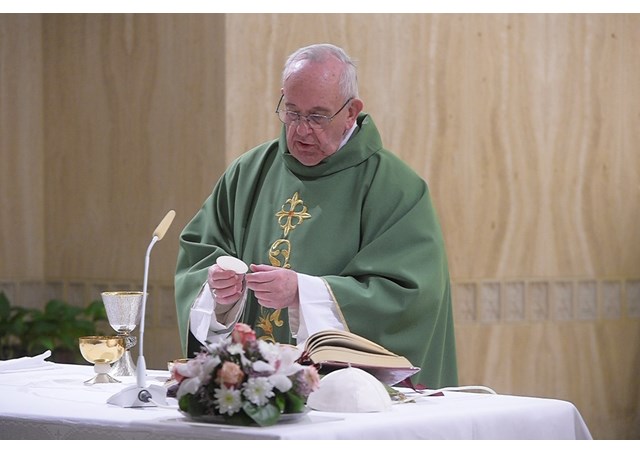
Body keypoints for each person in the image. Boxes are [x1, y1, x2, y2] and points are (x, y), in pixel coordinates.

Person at [174, 43, 458, 388]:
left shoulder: (396, 188)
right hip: (253, 391)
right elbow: (199, 256)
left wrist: (301, 293)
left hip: (347, 397)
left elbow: (409, 299)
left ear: (351, 112)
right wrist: (219, 292)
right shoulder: (248, 172)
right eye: (292, 112)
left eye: (317, 117)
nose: (302, 130)